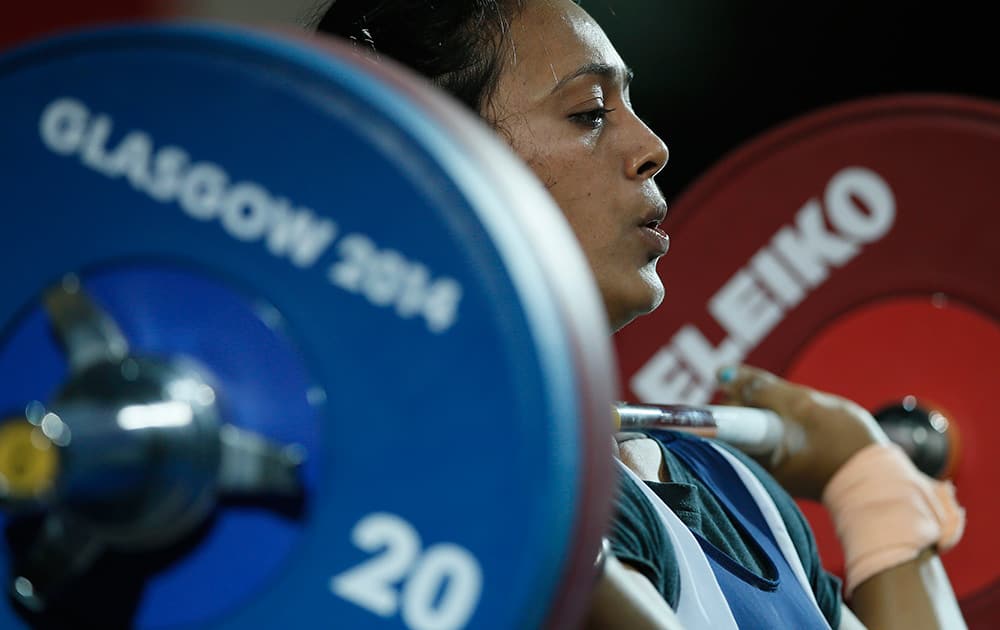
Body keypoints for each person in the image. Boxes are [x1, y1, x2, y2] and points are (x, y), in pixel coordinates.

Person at [311, 2, 968, 628]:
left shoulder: (740, 493)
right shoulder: (487, 508)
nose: (652, 147)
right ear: (433, 167)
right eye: (589, 113)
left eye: (628, 105)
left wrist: (870, 483)